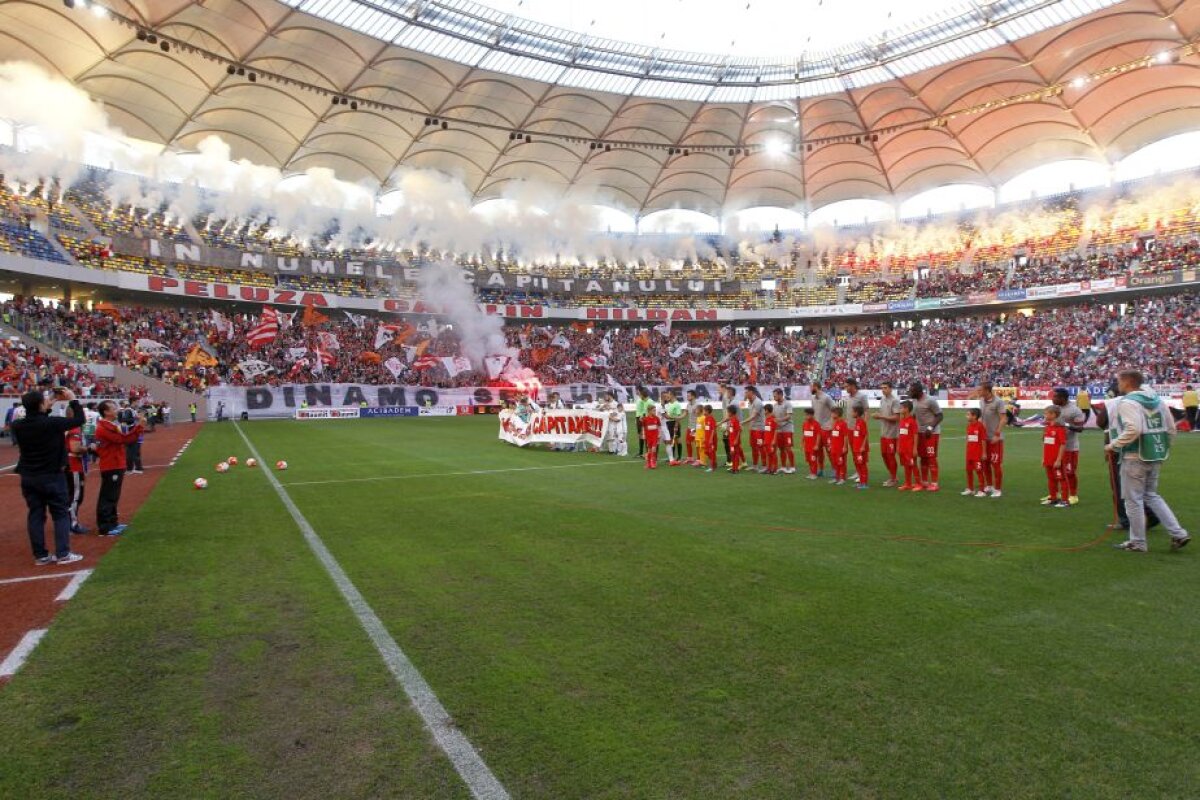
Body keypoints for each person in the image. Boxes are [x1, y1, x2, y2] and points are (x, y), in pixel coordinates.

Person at [1106, 370, 1190, 552]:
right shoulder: (1157, 400)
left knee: (1133, 500)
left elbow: (1133, 429)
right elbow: (1170, 428)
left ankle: (1138, 542)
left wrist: (1113, 445)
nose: (1117, 385)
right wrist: (1164, 448)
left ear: (1127, 382)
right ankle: (1179, 533)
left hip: (1134, 455)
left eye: (1118, 381)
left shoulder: (1128, 402)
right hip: (1155, 453)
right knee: (1151, 495)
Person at [12, 387, 86, 565]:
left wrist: (46, 406)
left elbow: (37, 420)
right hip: (52, 475)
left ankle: (41, 556)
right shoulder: (52, 423)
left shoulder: (18, 425)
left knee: (36, 514)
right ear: (39, 405)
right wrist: (73, 399)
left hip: (29, 476)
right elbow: (79, 419)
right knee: (60, 513)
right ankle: (63, 553)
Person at [94, 400, 145, 536]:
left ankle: (112, 523)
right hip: (111, 465)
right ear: (106, 412)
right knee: (108, 496)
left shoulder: (108, 425)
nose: (117, 410)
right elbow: (124, 439)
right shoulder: (104, 427)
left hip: (115, 463)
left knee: (113, 496)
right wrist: (139, 427)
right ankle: (105, 527)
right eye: (114, 408)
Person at [1049, 388, 1087, 505]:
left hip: (1070, 447)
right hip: (1055, 446)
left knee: (1069, 472)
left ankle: (1073, 495)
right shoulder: (1055, 409)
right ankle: (1056, 494)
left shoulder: (1074, 410)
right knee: (1054, 471)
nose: (1052, 398)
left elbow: (1080, 428)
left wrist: (1065, 425)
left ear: (1062, 398)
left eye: (1055, 397)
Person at [909, 382, 944, 492]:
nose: (910, 393)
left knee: (931, 457)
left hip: (931, 433)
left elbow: (940, 415)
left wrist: (930, 427)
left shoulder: (930, 400)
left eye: (912, 391)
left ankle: (934, 483)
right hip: (920, 433)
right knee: (923, 457)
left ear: (919, 391)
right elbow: (915, 416)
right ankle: (924, 482)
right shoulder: (914, 401)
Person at [977, 381, 1007, 498]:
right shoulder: (981, 401)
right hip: (984, 439)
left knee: (996, 464)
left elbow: (1003, 419)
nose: (979, 392)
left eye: (981, 390)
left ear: (987, 391)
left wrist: (997, 434)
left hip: (995, 439)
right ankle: (989, 485)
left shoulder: (998, 402)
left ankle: (998, 488)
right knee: (985, 463)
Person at [840, 378, 869, 482]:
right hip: (849, 429)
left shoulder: (861, 396)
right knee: (854, 452)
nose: (845, 388)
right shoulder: (848, 397)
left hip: (858, 430)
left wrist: (864, 425)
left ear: (853, 385)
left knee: (860, 452)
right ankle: (858, 472)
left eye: (847, 386)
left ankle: (862, 474)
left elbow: (866, 411)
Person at [872, 381, 901, 487]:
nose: (883, 390)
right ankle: (893, 476)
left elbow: (897, 417)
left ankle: (893, 478)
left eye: (885, 388)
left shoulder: (895, 401)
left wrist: (881, 417)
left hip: (892, 433)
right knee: (884, 455)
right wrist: (878, 414)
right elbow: (883, 413)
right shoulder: (883, 400)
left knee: (890, 455)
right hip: (884, 432)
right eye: (882, 388)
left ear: (890, 389)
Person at [1040, 406, 1069, 508]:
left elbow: (1062, 444)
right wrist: (1044, 457)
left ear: (1053, 415)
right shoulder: (1047, 427)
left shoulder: (1060, 428)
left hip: (1056, 459)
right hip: (1048, 458)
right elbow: (1045, 443)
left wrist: (1059, 459)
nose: (1045, 415)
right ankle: (1053, 498)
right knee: (1051, 479)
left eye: (1046, 413)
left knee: (1061, 479)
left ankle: (1065, 501)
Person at [65, 424, 90, 534]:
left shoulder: (66, 427)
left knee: (70, 495)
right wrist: (88, 448)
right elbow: (75, 448)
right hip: (73, 465)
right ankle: (72, 524)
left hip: (67, 464)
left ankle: (66, 522)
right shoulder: (74, 429)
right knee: (75, 496)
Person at [810, 382, 836, 476]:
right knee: (818, 450)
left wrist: (832, 424)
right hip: (817, 428)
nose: (810, 389)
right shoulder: (813, 398)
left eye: (811, 387)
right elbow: (813, 413)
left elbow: (835, 409)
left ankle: (835, 469)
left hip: (826, 428)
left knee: (830, 450)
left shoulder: (826, 397)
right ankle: (821, 469)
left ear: (816, 387)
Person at [963, 408, 987, 497]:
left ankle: (982, 491)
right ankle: (970, 489)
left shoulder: (980, 426)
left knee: (979, 471)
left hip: (978, 454)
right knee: (968, 471)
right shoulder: (968, 426)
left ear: (974, 416)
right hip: (969, 453)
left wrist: (984, 453)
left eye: (968, 414)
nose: (967, 416)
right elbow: (968, 438)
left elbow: (983, 440)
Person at [897, 401, 920, 491]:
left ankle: (918, 484)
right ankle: (908, 483)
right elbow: (900, 434)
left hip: (909, 449)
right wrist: (898, 446)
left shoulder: (912, 421)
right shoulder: (902, 420)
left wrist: (914, 448)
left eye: (901, 408)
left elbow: (915, 435)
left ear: (906, 409)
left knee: (913, 465)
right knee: (906, 466)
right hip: (903, 448)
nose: (900, 409)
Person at [772, 389, 795, 474]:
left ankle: (792, 467)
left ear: (780, 395)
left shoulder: (787, 404)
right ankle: (783, 467)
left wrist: (779, 420)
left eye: (775, 396)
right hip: (779, 430)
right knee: (781, 448)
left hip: (787, 429)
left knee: (788, 448)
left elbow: (789, 416)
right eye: (773, 396)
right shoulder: (775, 406)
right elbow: (774, 417)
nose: (774, 397)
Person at [744, 387, 766, 473]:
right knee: (753, 447)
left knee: (761, 447)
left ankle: (764, 466)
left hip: (759, 429)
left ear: (751, 392)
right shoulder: (750, 402)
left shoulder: (758, 402)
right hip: (753, 429)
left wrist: (742, 422)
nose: (745, 394)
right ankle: (755, 465)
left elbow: (754, 416)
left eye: (746, 392)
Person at [828, 406, 849, 485]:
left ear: (837, 414)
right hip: (834, 447)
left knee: (841, 463)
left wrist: (845, 446)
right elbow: (833, 435)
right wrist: (830, 445)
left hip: (840, 448)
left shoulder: (843, 423)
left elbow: (845, 436)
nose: (831, 415)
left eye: (833, 413)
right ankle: (837, 477)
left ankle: (842, 478)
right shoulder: (835, 423)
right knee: (835, 462)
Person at [850, 405, 869, 490]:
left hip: (861, 449)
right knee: (859, 465)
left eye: (853, 411)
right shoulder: (857, 421)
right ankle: (861, 482)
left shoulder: (861, 422)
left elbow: (865, 435)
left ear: (857, 413)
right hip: (856, 448)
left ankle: (864, 483)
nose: (851, 413)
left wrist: (862, 447)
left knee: (862, 465)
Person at [722, 399, 744, 474]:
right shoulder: (731, 420)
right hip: (731, 440)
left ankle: (736, 469)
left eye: (728, 412)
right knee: (732, 453)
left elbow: (739, 431)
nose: (727, 413)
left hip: (735, 441)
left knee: (736, 454)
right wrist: (727, 431)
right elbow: (731, 429)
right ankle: (733, 468)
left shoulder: (736, 420)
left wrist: (736, 440)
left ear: (731, 412)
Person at [801, 408, 822, 480]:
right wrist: (802, 444)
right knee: (809, 460)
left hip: (813, 446)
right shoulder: (805, 423)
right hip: (806, 446)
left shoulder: (816, 424)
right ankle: (811, 472)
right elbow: (804, 434)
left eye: (807, 415)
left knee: (813, 460)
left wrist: (816, 445)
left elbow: (819, 435)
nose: (805, 416)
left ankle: (814, 473)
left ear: (812, 415)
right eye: (805, 415)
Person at [634, 387, 652, 459]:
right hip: (639, 417)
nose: (636, 392)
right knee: (640, 435)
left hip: (643, 418)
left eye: (637, 390)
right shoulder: (640, 400)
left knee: (644, 435)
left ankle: (646, 452)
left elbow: (644, 411)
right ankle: (642, 452)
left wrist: (642, 418)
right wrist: (637, 418)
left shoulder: (644, 401)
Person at [701, 404, 718, 473]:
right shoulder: (706, 419)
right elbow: (706, 429)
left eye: (704, 411)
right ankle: (714, 463)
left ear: (707, 411)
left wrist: (711, 439)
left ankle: (712, 467)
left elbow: (713, 429)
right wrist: (705, 438)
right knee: (706, 451)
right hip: (707, 439)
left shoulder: (711, 419)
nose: (703, 412)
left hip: (712, 439)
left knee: (711, 452)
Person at [762, 403, 778, 475]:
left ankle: (774, 469)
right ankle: (769, 468)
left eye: (764, 410)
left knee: (773, 454)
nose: (764, 411)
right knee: (768, 454)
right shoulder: (766, 419)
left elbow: (776, 430)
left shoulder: (773, 420)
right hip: (766, 441)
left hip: (772, 441)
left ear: (767, 410)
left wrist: (774, 440)